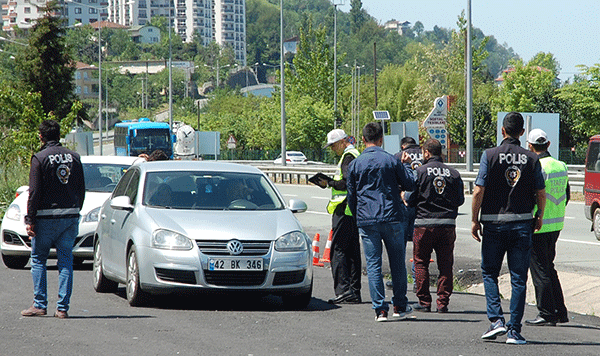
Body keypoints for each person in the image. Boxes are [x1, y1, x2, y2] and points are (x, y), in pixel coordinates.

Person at [472, 112, 546, 345]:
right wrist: (539, 215)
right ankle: (514, 330)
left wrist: (474, 220)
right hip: (523, 224)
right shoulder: (532, 159)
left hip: (493, 224)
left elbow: (478, 191)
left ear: (502, 131)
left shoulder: (489, 155)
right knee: (518, 278)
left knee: (490, 273)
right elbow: (541, 192)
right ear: (522, 133)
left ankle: (496, 321)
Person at [347, 122, 416, 322]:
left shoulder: (355, 164)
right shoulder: (391, 160)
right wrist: (406, 164)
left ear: (362, 140)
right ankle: (399, 306)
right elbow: (410, 183)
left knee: (374, 265)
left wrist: (357, 214)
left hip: (367, 219)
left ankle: (380, 310)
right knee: (397, 264)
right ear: (382, 139)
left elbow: (352, 196)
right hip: (392, 216)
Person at [21, 120, 85, 319]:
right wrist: (76, 209)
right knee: (65, 260)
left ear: (41, 136)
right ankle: (62, 308)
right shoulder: (74, 157)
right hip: (70, 217)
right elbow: (81, 188)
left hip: (45, 218)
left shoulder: (39, 158)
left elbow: (34, 192)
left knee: (39, 259)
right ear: (59, 135)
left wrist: (30, 219)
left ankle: (39, 304)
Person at [406, 139, 464, 313]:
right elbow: (460, 200)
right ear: (442, 153)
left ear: (426, 153)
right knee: (446, 265)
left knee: (421, 263)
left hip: (423, 224)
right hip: (447, 225)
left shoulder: (420, 172)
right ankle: (443, 303)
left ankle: (424, 302)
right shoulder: (453, 173)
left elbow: (410, 198)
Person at [524, 129, 570, 327]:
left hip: (538, 223)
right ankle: (560, 311)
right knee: (549, 267)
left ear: (530, 146)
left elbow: (533, 194)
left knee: (540, 269)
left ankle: (546, 313)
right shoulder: (561, 165)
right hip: (556, 223)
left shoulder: (536, 165)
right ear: (548, 144)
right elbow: (566, 195)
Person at [316, 129, 362, 304]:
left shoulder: (348, 156)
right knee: (352, 251)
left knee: (338, 251)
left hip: (344, 209)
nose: (332, 149)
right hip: (352, 210)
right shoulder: (355, 154)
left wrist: (329, 183)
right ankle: (354, 291)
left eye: (334, 145)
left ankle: (343, 290)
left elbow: (346, 183)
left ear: (343, 141)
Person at [394, 136, 422, 292]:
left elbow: (392, 179)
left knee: (400, 244)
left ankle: (398, 279)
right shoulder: (425, 154)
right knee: (418, 245)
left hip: (404, 204)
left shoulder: (398, 156)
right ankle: (417, 280)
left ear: (403, 146)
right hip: (421, 205)